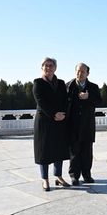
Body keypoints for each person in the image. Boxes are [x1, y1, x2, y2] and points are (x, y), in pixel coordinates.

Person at [33, 57, 71, 191]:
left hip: (59, 121)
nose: (48, 68)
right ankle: (45, 179)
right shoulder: (38, 83)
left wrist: (63, 114)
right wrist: (54, 114)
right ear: (42, 67)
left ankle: (59, 177)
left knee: (58, 150)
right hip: (44, 121)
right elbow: (41, 102)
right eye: (46, 65)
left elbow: (66, 100)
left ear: (55, 68)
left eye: (51, 65)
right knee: (43, 151)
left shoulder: (60, 83)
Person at [66, 63, 101, 186]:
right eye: (78, 71)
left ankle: (87, 175)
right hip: (73, 124)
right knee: (74, 152)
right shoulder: (68, 86)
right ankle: (74, 176)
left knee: (87, 152)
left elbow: (99, 102)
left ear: (88, 73)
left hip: (87, 124)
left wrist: (89, 97)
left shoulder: (93, 87)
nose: (80, 74)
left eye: (83, 72)